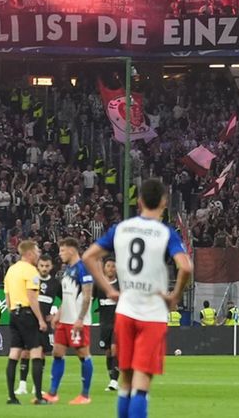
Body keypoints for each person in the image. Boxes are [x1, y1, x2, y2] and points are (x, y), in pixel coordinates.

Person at [83, 178, 193, 418]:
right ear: (164, 202)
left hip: (125, 311)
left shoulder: (121, 229)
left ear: (139, 201)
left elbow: (89, 256)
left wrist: (109, 289)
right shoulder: (165, 233)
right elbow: (185, 267)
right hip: (152, 313)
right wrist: (175, 296)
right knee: (142, 381)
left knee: (126, 380)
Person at [2, 238, 49, 405]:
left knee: (14, 353)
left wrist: (13, 312)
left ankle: (11, 397)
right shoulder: (31, 271)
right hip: (27, 314)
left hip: (14, 313)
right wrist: (41, 319)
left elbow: (7, 297)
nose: (38, 254)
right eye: (37, 251)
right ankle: (38, 396)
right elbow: (32, 297)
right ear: (29, 253)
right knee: (36, 351)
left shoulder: (11, 270)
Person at [49, 238, 94, 405]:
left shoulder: (84, 268)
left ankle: (85, 395)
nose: (60, 254)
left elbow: (87, 296)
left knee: (83, 354)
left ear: (72, 250)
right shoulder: (68, 270)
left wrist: (80, 318)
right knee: (57, 352)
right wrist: (59, 314)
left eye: (62, 250)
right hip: (65, 320)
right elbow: (68, 296)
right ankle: (52, 393)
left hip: (77, 321)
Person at [19, 255, 60, 397]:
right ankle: (22, 385)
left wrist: (55, 315)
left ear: (51, 266)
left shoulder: (55, 283)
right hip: (29, 321)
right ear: (38, 266)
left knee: (41, 353)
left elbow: (67, 299)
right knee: (25, 352)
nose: (44, 268)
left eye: (47, 266)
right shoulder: (32, 279)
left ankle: (36, 386)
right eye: (42, 265)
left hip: (44, 324)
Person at [98, 258, 120, 391]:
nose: (111, 268)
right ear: (104, 268)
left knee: (114, 349)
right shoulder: (99, 285)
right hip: (104, 324)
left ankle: (114, 381)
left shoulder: (120, 285)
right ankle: (111, 378)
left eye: (113, 266)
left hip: (118, 323)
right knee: (108, 352)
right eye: (108, 266)